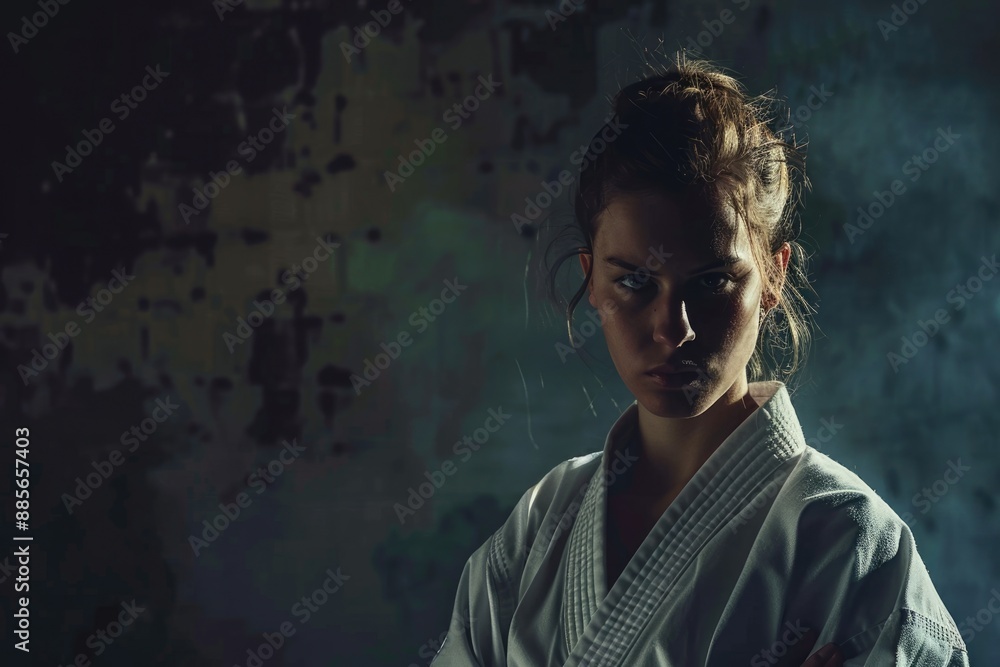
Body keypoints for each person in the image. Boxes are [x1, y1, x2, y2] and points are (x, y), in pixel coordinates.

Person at [432, 53, 968, 666]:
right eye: (634, 282)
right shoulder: (539, 528)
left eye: (712, 282)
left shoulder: (849, 543)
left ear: (773, 276)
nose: (674, 328)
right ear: (592, 280)